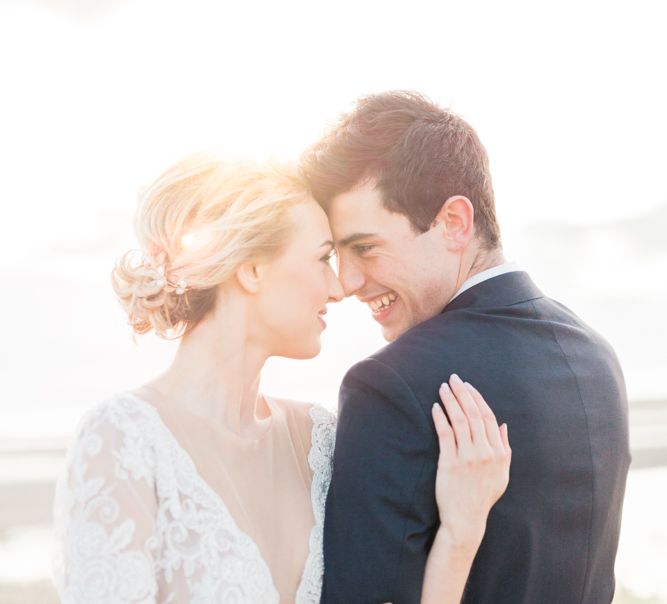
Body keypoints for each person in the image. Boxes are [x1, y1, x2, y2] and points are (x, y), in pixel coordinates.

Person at [52, 155, 511, 604]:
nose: (339, 287)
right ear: (251, 270)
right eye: (322, 258)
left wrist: (460, 532)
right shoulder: (124, 439)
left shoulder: (317, 438)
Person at [301, 90, 631, 604]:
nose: (347, 282)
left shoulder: (392, 386)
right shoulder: (597, 356)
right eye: (337, 254)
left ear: (454, 222)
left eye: (364, 247)